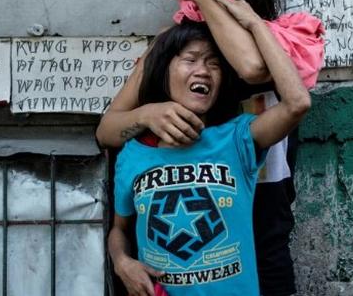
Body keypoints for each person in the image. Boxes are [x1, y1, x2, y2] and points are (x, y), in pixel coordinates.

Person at [97, 0, 323, 296]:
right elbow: (106, 130)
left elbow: (250, 67)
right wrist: (147, 114)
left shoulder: (281, 38)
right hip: (178, 256)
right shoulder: (174, 47)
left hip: (263, 235)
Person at [108, 18, 311, 295]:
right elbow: (119, 229)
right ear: (163, 72)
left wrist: (255, 24)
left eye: (213, 64)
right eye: (190, 60)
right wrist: (122, 262)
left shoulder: (238, 139)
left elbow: (297, 104)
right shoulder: (133, 154)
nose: (203, 70)